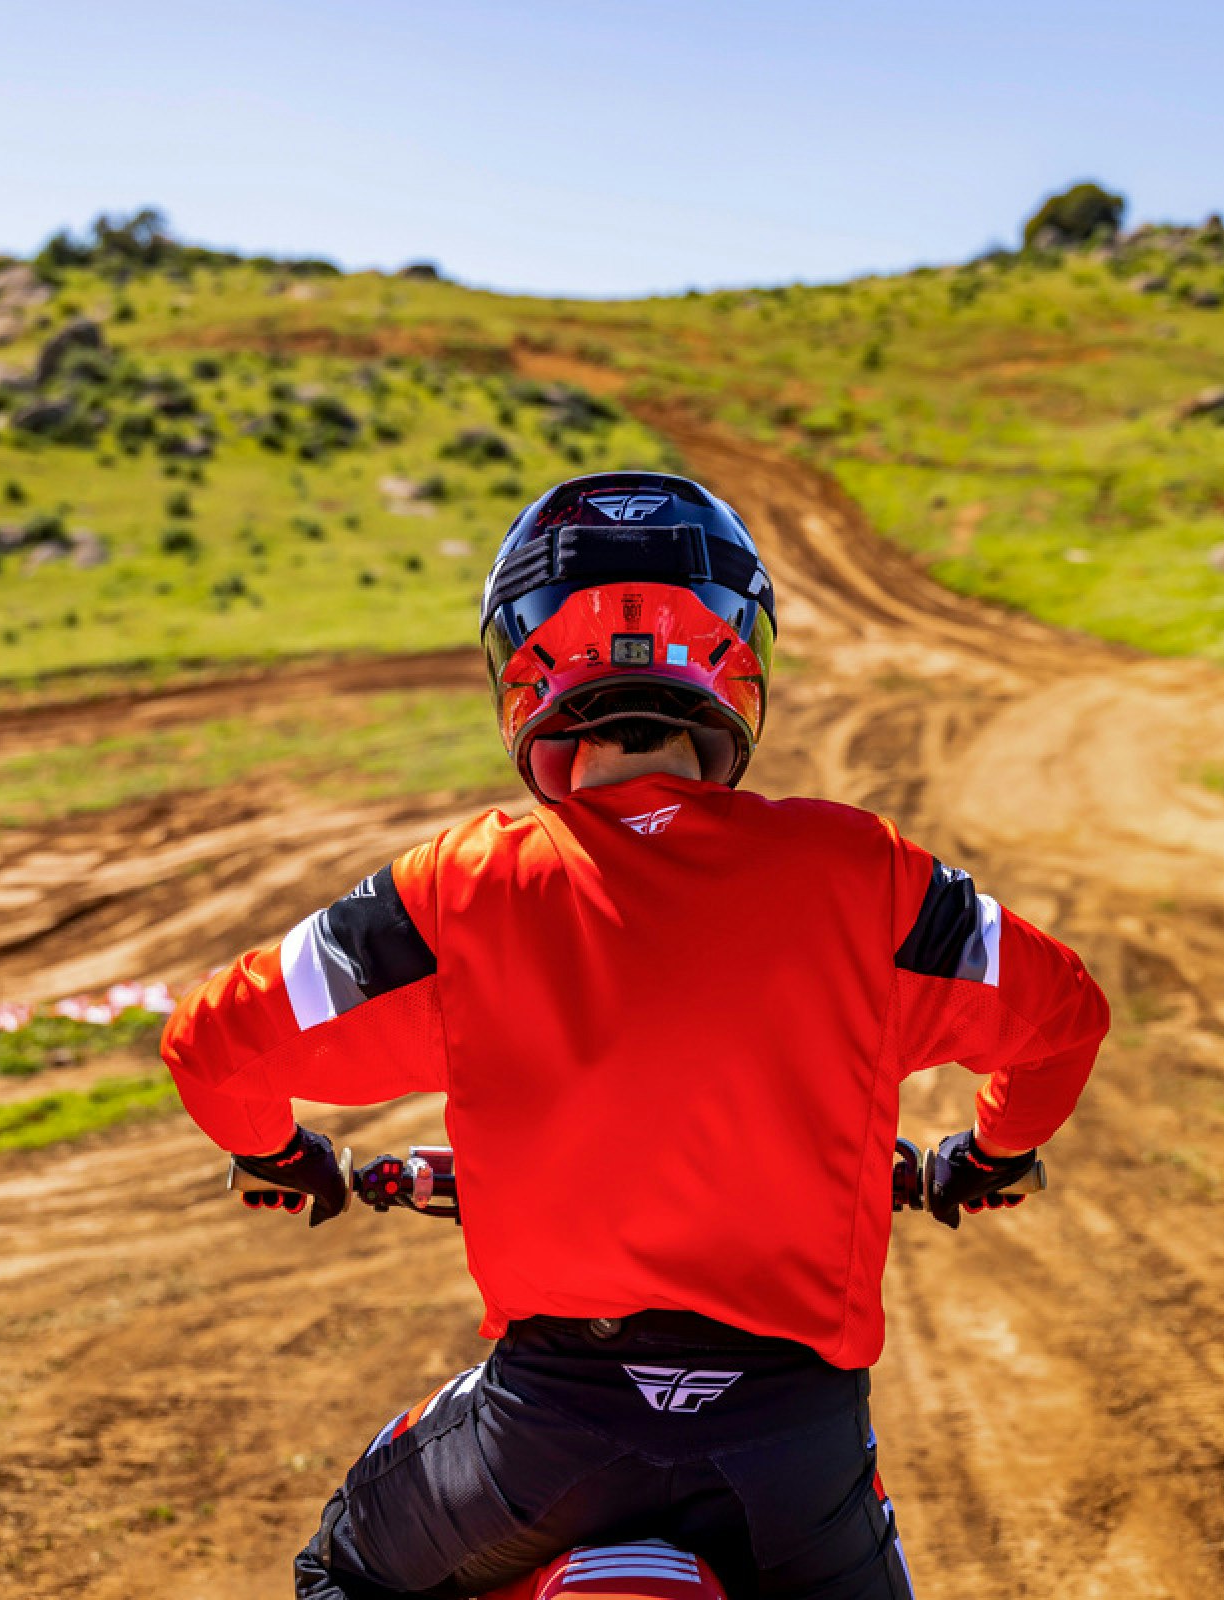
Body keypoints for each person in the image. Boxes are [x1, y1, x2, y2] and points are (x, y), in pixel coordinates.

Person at [161, 471, 1109, 1599]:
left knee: (345, 1568)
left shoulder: (461, 888)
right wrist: (990, 1157)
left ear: (521, 665)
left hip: (544, 1444)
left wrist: (281, 1158)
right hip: (793, 1456)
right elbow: (1062, 1018)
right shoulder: (868, 874)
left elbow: (211, 1042)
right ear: (736, 654)